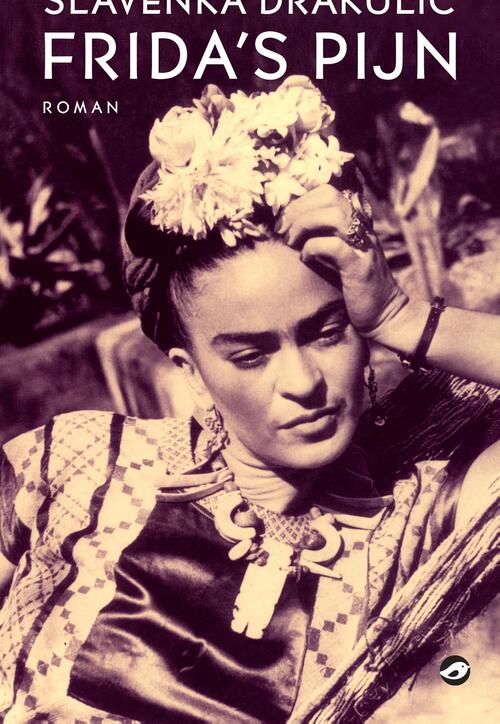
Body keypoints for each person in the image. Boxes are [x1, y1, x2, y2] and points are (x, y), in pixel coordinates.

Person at [0, 77, 498, 723]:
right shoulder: (84, 461)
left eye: (326, 332)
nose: (302, 382)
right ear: (192, 371)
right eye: (250, 355)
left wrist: (402, 317)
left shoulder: (419, 518)